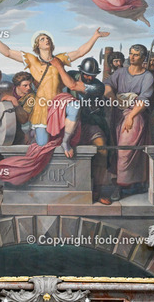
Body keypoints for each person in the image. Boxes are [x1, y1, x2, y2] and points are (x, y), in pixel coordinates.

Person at [0, 27, 109, 147]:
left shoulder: (60, 59)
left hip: (59, 102)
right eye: (42, 39)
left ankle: (66, 142)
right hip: (42, 106)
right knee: (43, 144)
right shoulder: (32, 60)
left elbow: (80, 52)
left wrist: (95, 37)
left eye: (48, 38)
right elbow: (8, 52)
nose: (46, 40)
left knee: (75, 107)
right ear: (37, 45)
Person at [51, 57, 113, 204]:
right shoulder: (72, 74)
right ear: (81, 72)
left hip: (90, 123)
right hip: (70, 123)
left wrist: (59, 66)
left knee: (102, 150)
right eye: (87, 75)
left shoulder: (98, 87)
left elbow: (73, 86)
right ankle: (67, 190)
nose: (90, 78)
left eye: (93, 75)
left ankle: (97, 190)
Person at [104, 44, 154, 201]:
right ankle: (125, 183)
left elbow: (144, 100)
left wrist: (131, 116)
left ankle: (121, 186)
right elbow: (107, 85)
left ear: (143, 58)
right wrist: (112, 97)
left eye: (136, 55)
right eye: (131, 54)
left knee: (125, 149)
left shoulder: (147, 77)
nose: (132, 57)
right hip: (118, 114)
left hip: (135, 115)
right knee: (117, 148)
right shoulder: (121, 72)